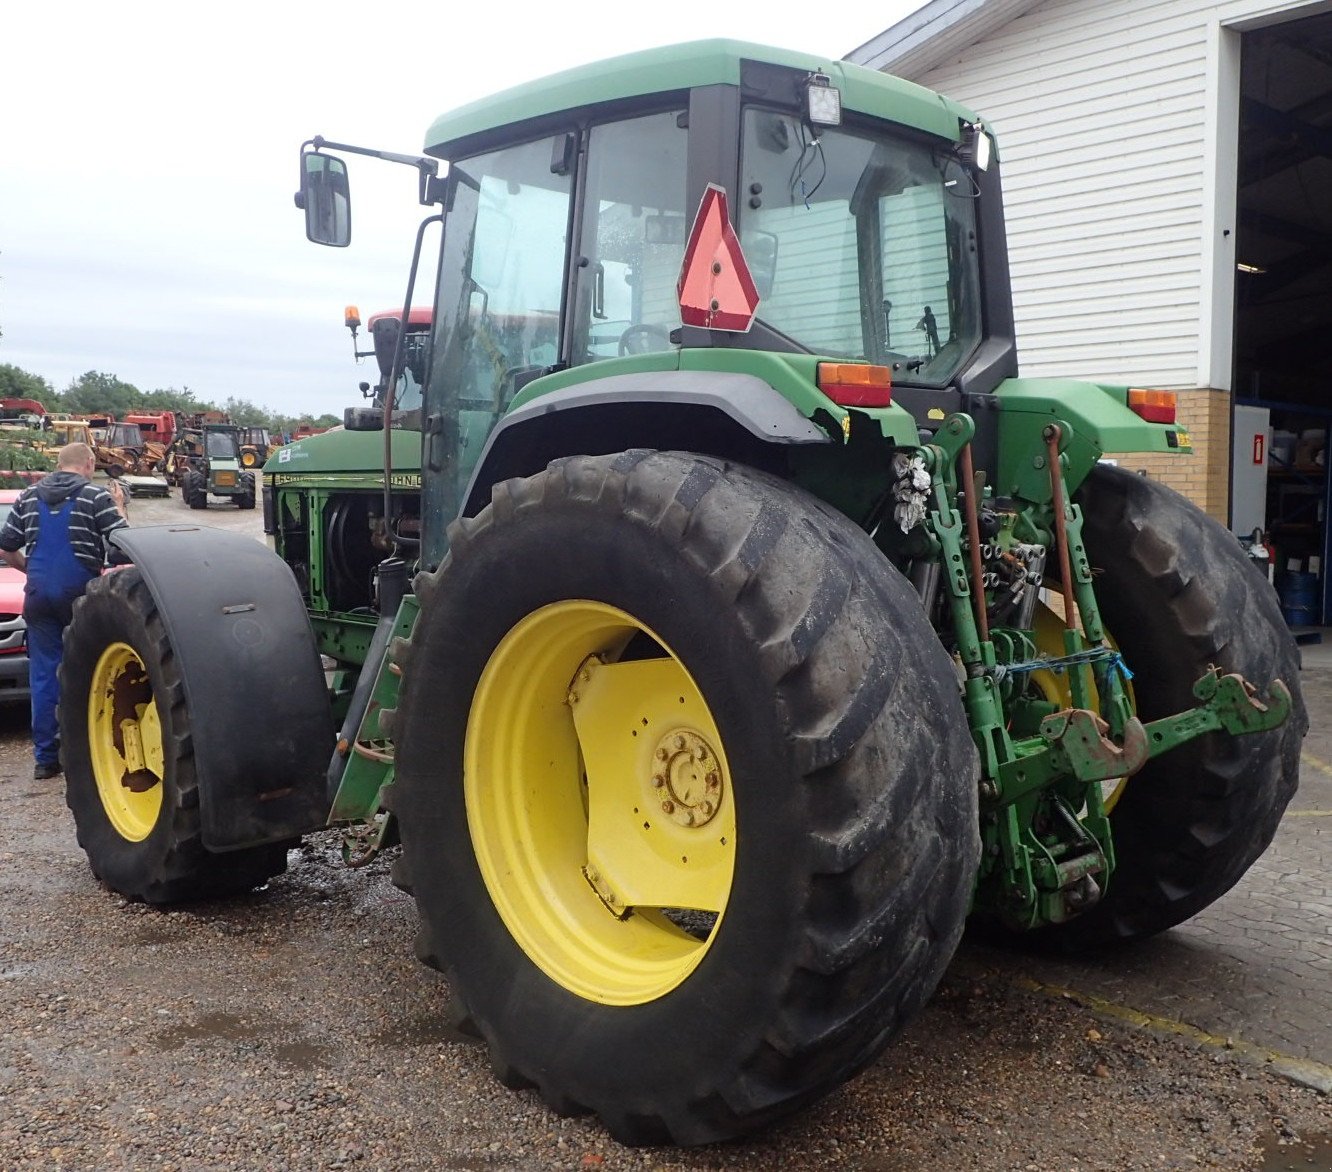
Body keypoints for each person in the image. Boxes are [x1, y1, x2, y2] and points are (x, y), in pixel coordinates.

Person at [0, 443, 128, 779]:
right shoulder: (96, 497)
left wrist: (31, 571)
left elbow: (7, 545)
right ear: (88, 463)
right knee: (90, 672)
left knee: (43, 675)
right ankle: (86, 757)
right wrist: (120, 508)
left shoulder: (28, 497)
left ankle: (45, 760)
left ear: (57, 465)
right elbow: (122, 548)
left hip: (38, 595)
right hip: (80, 594)